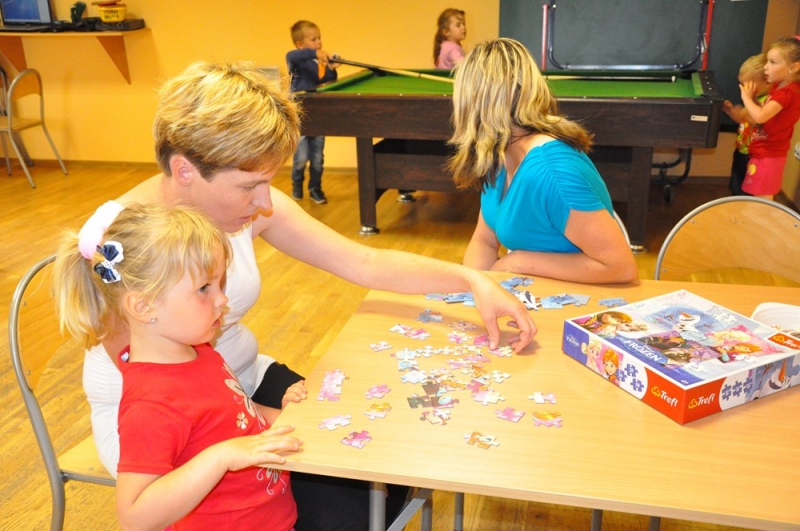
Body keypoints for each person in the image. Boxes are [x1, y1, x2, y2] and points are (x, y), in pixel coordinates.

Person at [78, 60, 536, 531]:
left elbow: (363, 262)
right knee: (351, 509)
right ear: (185, 171)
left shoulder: (243, 203)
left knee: (386, 454)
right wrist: (257, 431)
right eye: (251, 185)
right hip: (163, 429)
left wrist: (472, 280)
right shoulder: (127, 245)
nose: (265, 203)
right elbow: (170, 403)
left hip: (237, 383)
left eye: (269, 182)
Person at [55, 204, 304, 530]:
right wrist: (221, 457)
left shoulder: (199, 351)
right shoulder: (151, 404)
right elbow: (134, 517)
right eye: (204, 289)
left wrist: (284, 416)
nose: (222, 300)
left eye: (219, 284)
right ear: (144, 306)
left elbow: (235, 417)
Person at [447, 38, 638, 284]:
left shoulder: (553, 170)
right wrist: (474, 288)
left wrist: (518, 261)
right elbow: (484, 241)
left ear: (472, 103)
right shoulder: (500, 156)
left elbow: (620, 267)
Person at [740, 36, 800, 200]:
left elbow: (760, 117)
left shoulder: (787, 93)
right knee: (757, 200)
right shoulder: (780, 89)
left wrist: (746, 98)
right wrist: (753, 100)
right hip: (764, 154)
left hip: (769, 156)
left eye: (773, 62)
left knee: (762, 202)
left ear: (794, 67)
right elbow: (763, 113)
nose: (766, 67)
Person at [286, 20, 340, 204]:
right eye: (313, 39)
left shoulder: (316, 63)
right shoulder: (295, 61)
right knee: (300, 159)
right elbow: (292, 55)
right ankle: (297, 186)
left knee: (317, 159)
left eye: (319, 38)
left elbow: (325, 83)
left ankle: (315, 189)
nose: (319, 42)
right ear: (300, 44)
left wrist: (331, 70)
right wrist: (314, 53)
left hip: (317, 117)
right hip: (300, 119)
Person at [722, 54, 770, 196]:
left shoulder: (766, 101)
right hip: (741, 150)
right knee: (736, 186)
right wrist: (730, 111)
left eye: (747, 85)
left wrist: (745, 106)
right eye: (742, 84)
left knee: (748, 190)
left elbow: (756, 120)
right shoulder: (752, 99)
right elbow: (743, 120)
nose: (743, 89)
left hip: (754, 156)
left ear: (766, 83)